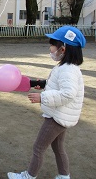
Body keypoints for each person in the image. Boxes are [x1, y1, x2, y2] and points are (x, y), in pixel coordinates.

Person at [7, 26, 86, 179]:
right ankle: (64, 176)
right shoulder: (67, 67)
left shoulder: (67, 70)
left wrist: (42, 97)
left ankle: (28, 176)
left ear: (62, 49)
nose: (50, 49)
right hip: (61, 115)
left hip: (57, 117)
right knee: (58, 148)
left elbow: (68, 93)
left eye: (52, 45)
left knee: (38, 147)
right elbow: (58, 85)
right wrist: (43, 84)